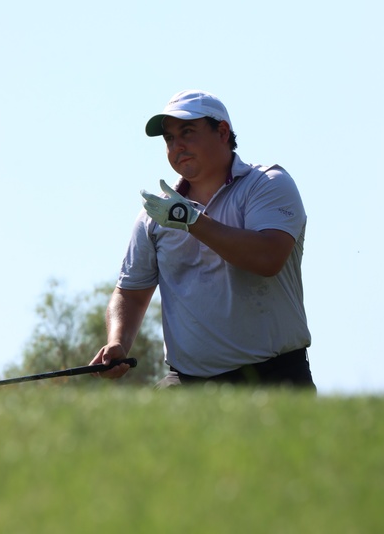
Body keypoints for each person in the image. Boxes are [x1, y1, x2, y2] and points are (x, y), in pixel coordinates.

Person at [90, 89, 315, 390]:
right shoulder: (155, 214)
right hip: (186, 381)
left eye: (187, 132)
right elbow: (131, 293)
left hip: (275, 376)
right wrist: (118, 341)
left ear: (222, 132)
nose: (177, 146)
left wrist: (191, 221)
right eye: (169, 138)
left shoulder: (268, 184)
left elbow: (268, 258)